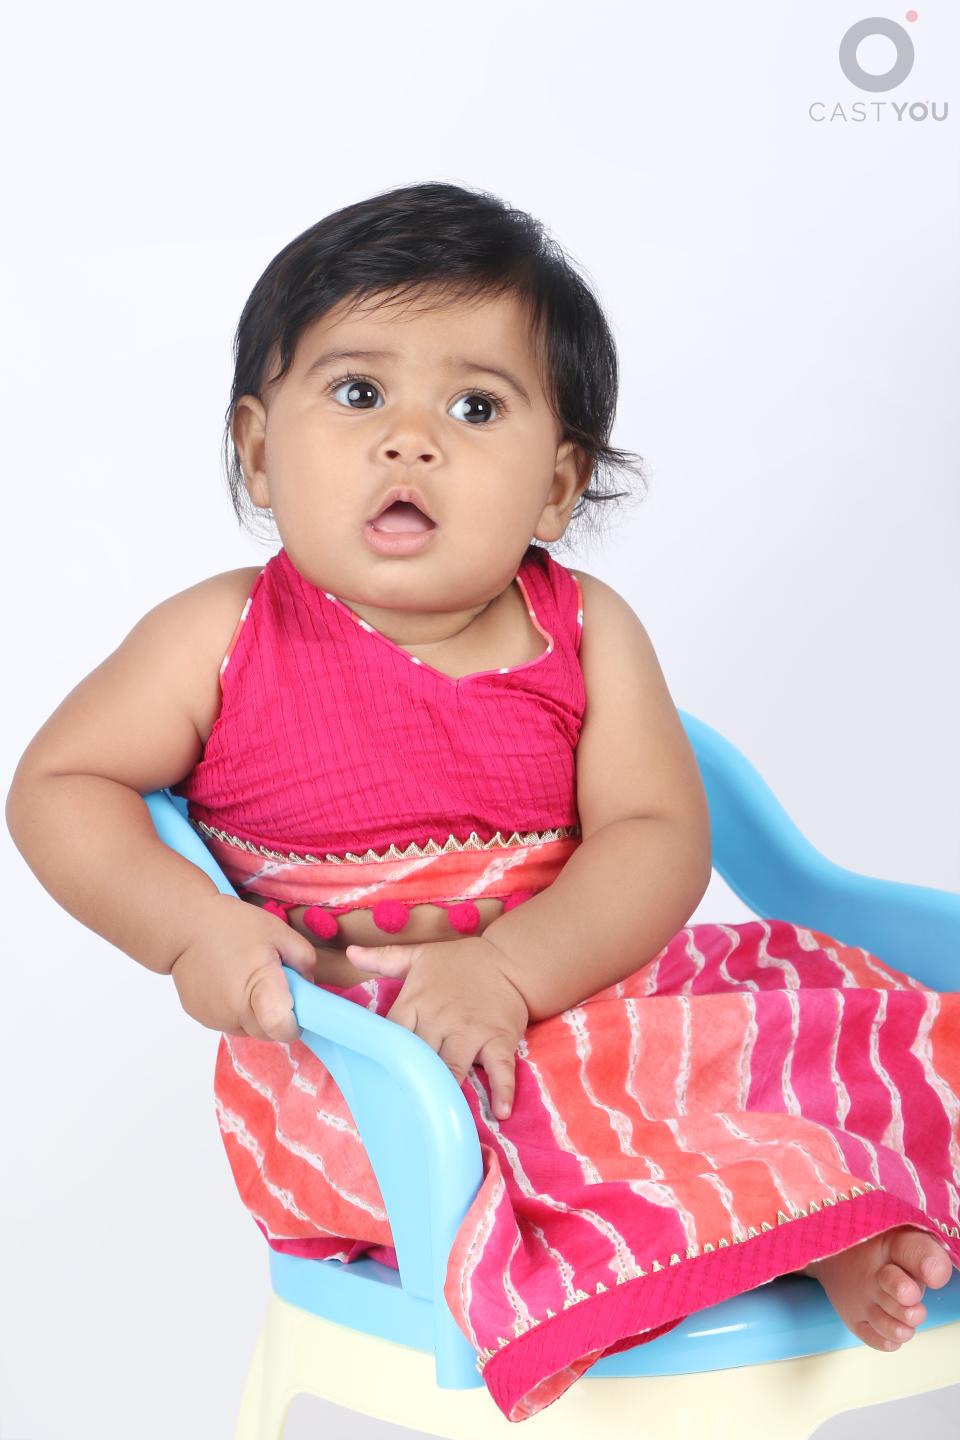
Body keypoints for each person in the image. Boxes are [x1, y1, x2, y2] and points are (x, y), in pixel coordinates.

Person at [6, 180, 956, 1420]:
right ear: (258, 449)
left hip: (574, 989)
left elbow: (659, 836)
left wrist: (511, 969)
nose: (412, 440)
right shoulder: (219, 637)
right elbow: (60, 785)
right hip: (369, 1076)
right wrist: (192, 928)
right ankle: (803, 1219)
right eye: (359, 393)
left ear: (558, 485)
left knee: (796, 1037)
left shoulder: (588, 630)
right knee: (576, 1115)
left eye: (475, 406)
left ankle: (822, 1205)